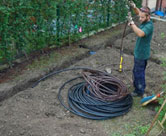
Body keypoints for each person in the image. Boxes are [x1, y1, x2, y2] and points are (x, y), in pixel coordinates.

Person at [127, 1, 154, 97]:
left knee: (139, 73)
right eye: (140, 17)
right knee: (136, 71)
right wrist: (134, 7)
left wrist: (132, 23)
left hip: (142, 54)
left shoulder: (149, 26)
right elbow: (139, 12)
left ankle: (140, 91)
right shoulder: (144, 18)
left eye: (142, 17)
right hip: (138, 52)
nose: (140, 18)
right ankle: (137, 86)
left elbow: (140, 34)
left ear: (148, 17)